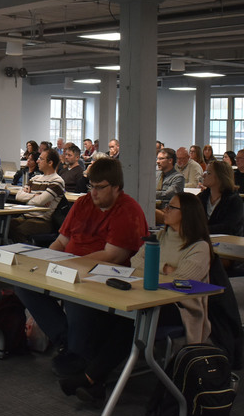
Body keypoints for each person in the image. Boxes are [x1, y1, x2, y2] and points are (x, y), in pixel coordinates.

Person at [60, 193, 212, 404]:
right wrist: (165, 268)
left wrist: (157, 267)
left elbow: (183, 280)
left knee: (130, 322)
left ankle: (90, 377)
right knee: (106, 316)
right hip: (149, 295)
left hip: (180, 307)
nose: (165, 210)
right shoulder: (159, 237)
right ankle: (96, 382)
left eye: (172, 207)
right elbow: (135, 263)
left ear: (186, 214)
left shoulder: (199, 247)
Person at [15, 158, 147, 378]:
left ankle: (76, 353)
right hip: (70, 268)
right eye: (91, 186)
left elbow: (113, 255)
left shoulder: (127, 210)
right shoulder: (82, 204)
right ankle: (67, 341)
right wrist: (45, 259)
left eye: (99, 187)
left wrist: (68, 263)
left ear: (116, 187)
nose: (93, 193)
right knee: (24, 285)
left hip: (102, 275)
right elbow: (61, 241)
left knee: (76, 297)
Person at [10, 149, 66, 242]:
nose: (37, 161)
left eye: (41, 159)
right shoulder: (35, 178)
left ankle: (23, 255)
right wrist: (35, 195)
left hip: (42, 221)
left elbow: (40, 201)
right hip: (25, 217)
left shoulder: (57, 181)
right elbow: (18, 196)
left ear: (50, 163)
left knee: (18, 231)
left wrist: (29, 196)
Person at [197, 161, 244, 236]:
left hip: (227, 242)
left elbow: (227, 227)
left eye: (208, 173)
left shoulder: (234, 200)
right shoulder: (201, 197)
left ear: (220, 177)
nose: (203, 175)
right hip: (204, 238)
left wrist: (200, 230)